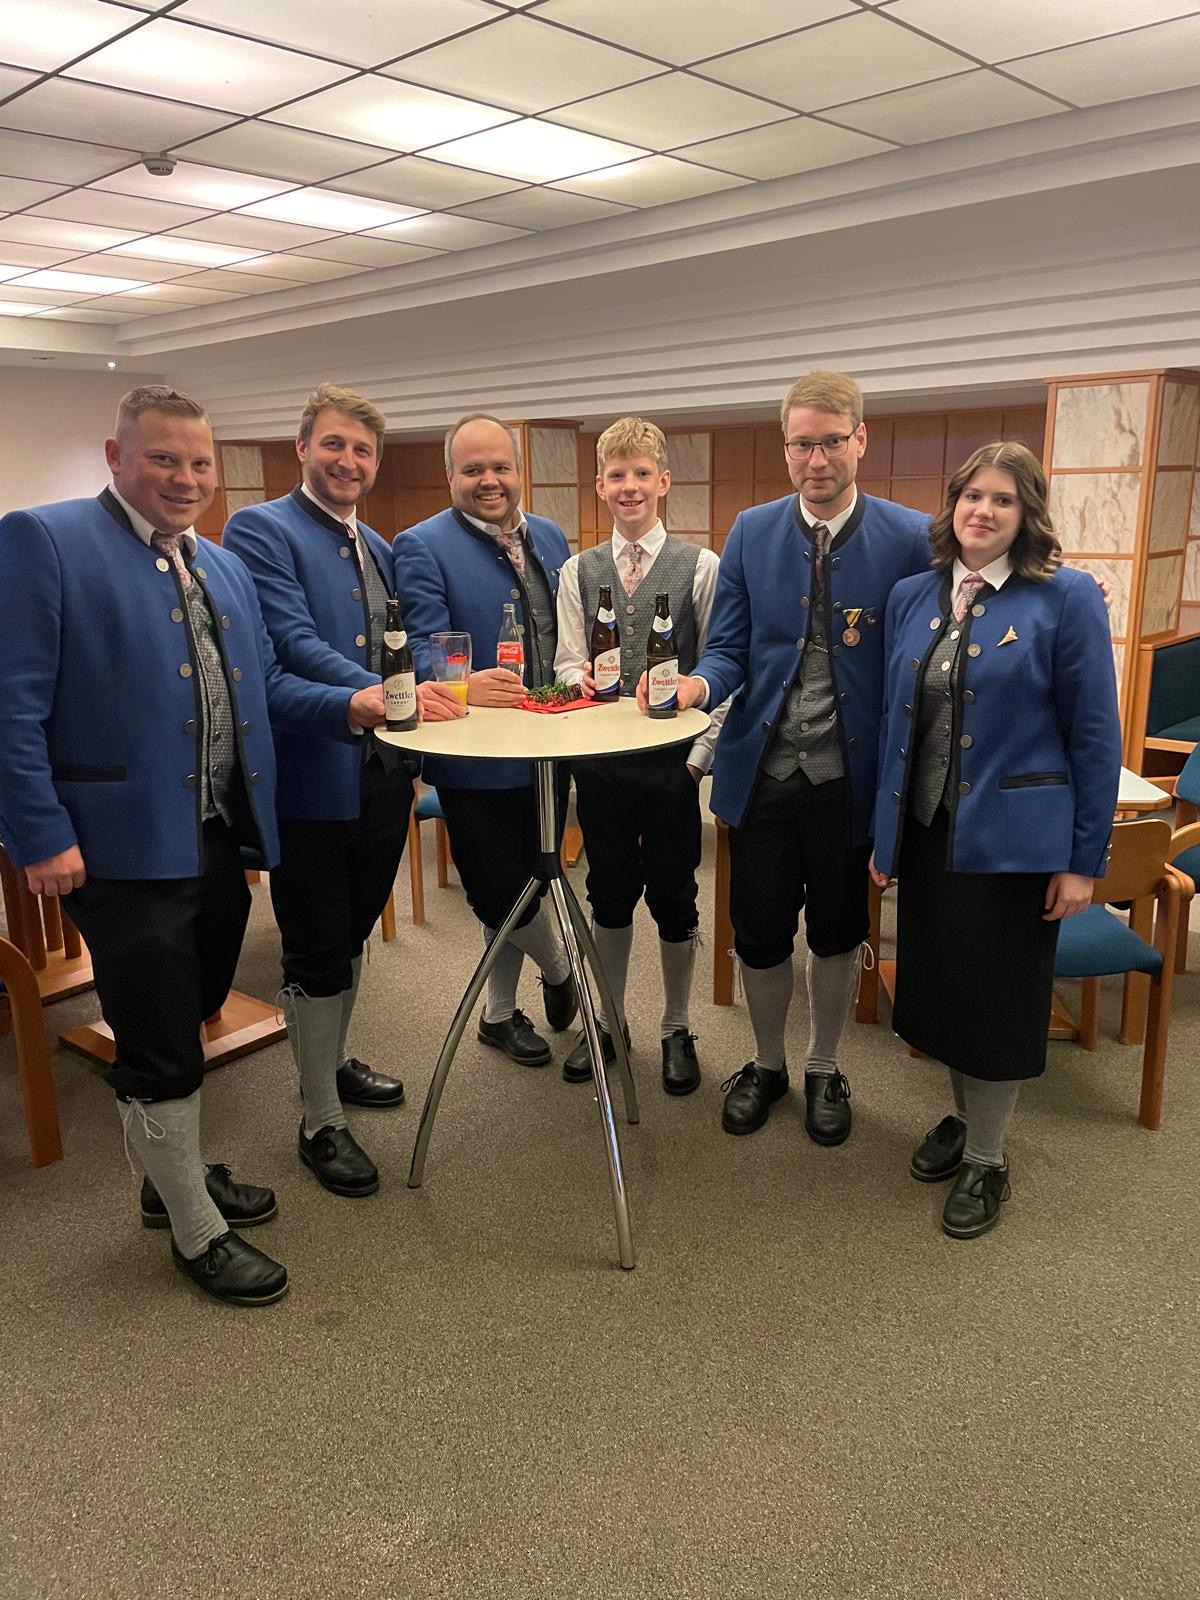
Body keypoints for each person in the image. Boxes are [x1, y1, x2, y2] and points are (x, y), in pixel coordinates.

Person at [0, 386, 385, 1305]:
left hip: (217, 834)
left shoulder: (220, 562)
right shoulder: (44, 539)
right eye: (164, 459)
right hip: (115, 845)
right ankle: (194, 1231)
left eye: (200, 462)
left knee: (198, 1002)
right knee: (158, 1033)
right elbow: (10, 705)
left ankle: (166, 1178)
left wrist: (355, 706)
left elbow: (265, 689)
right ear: (116, 456)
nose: (185, 478)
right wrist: (40, 834)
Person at [645, 372, 932, 1148]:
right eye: (802, 444)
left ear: (860, 439)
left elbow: (958, 613)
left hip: (850, 780)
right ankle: (768, 1063)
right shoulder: (751, 530)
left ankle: (824, 1065)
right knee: (760, 930)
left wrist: (1062, 586)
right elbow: (730, 648)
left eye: (832, 441)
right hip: (763, 773)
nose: (817, 459)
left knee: (837, 931)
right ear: (786, 447)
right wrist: (700, 683)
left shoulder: (910, 536)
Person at [870, 443, 1120, 1238]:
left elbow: (1094, 735)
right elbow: (894, 727)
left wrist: (1082, 861)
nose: (983, 511)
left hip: (1015, 843)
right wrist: (884, 838)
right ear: (952, 506)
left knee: (997, 1003)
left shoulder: (1065, 597)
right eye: (972, 495)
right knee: (944, 992)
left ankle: (987, 1157)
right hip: (929, 835)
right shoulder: (914, 594)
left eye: (1003, 499)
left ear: (1026, 514)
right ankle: (961, 1119)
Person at [224, 384, 462, 1200]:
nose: (348, 461)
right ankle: (318, 1117)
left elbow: (398, 645)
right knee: (316, 945)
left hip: (382, 776)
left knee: (353, 933)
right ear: (302, 448)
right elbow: (290, 644)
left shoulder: (378, 544)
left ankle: (327, 1062)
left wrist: (438, 690)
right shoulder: (260, 529)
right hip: (311, 778)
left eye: (362, 450)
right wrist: (391, 695)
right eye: (334, 444)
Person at [392, 413, 577, 1066]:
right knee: (497, 888)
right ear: (450, 475)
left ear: (519, 471)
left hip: (549, 747)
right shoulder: (420, 544)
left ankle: (498, 1015)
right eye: (473, 469)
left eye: (500, 466)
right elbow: (419, 641)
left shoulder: (548, 536)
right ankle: (561, 967)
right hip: (474, 756)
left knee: (536, 877)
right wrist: (463, 682)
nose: (489, 480)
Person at [554, 417, 725, 1095]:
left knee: (676, 896)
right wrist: (581, 685)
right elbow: (566, 660)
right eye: (616, 475)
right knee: (609, 893)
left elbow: (720, 667)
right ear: (600, 486)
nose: (630, 486)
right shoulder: (578, 570)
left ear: (664, 482)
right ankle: (609, 1019)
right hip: (601, 765)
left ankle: (676, 1026)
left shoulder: (701, 566)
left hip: (672, 765)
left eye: (642, 474)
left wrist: (698, 758)